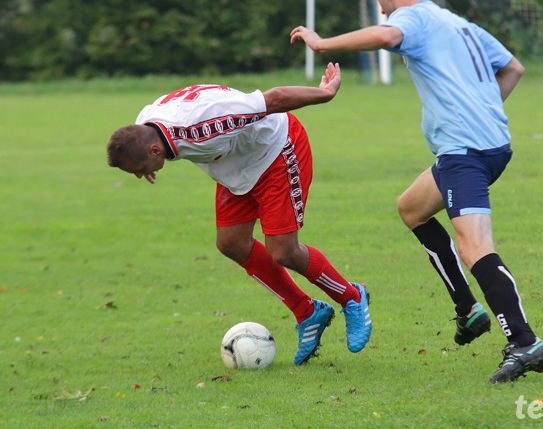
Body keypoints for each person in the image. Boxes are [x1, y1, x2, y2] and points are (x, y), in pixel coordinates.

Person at [290, 0, 543, 383]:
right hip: (487, 145)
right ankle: (467, 310)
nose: (382, 6)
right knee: (412, 208)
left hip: (464, 152)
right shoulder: (457, 22)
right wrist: (480, 111)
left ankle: (524, 341)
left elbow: (387, 34)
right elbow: (513, 67)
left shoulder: (413, 20)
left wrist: (321, 43)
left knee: (475, 248)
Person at [107, 63, 372, 365]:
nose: (141, 175)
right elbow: (136, 145)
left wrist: (324, 93)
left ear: (155, 151)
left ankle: (351, 296)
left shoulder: (204, 126)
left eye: (140, 170)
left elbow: (275, 98)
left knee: (283, 250)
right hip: (235, 166)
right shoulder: (146, 126)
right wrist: (146, 169)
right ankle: (307, 311)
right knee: (231, 242)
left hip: (275, 152)